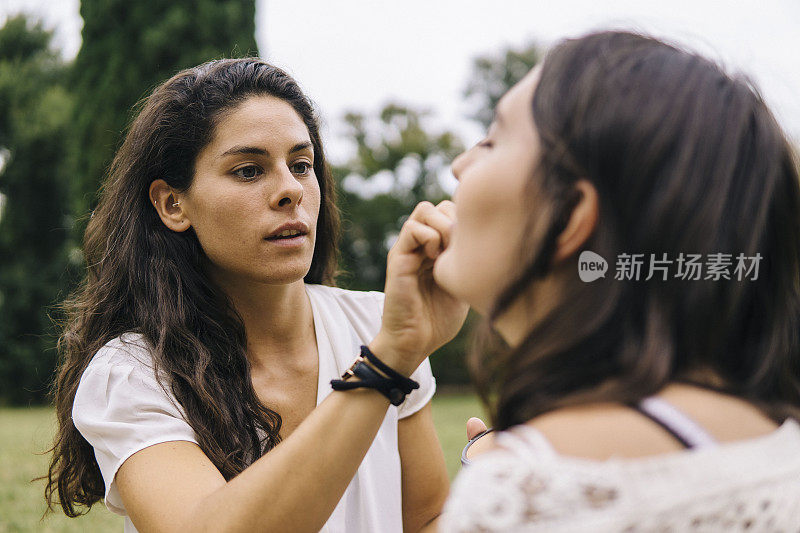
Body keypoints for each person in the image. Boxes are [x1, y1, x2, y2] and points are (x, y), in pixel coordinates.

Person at [379, 30, 800, 531]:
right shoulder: (772, 432)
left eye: (492, 140)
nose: (459, 166)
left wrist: (521, 481)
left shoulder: (534, 485)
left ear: (568, 214)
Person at [43, 58, 467, 533]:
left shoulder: (376, 325)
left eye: (302, 165)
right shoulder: (134, 374)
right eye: (248, 171)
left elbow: (425, 519)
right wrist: (386, 365)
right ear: (172, 204)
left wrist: (494, 497)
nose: (290, 190)